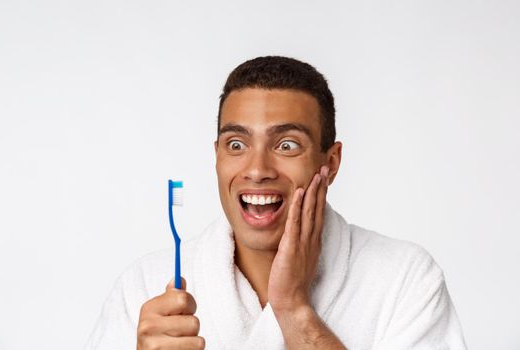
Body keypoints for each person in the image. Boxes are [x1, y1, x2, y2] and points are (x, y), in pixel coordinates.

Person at [86, 56, 467, 349]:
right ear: (216, 156)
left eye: (287, 145)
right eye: (237, 145)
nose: (257, 169)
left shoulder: (405, 279)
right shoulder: (144, 288)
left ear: (330, 163)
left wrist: (295, 311)